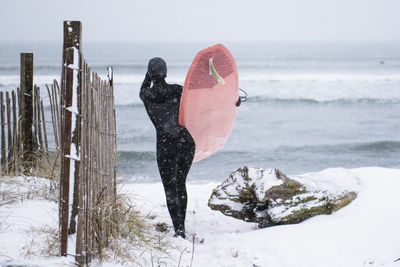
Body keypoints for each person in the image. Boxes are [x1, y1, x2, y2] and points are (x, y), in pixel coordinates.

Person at [139, 57, 195, 238]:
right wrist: (232, 101)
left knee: (170, 189)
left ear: (150, 73)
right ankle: (182, 227)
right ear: (166, 72)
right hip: (185, 142)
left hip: (166, 146)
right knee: (180, 184)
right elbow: (204, 104)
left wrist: (149, 76)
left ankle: (179, 231)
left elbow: (144, 86)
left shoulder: (146, 95)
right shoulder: (178, 91)